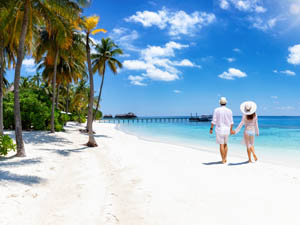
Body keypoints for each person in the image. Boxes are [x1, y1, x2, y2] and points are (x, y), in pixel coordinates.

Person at [210, 97, 234, 164]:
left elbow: (214, 121)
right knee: (226, 144)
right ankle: (225, 159)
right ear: (226, 103)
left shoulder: (216, 110)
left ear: (220, 103)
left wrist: (211, 129)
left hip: (219, 129)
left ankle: (223, 160)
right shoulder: (230, 111)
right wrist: (231, 130)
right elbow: (231, 122)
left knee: (221, 144)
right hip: (227, 130)